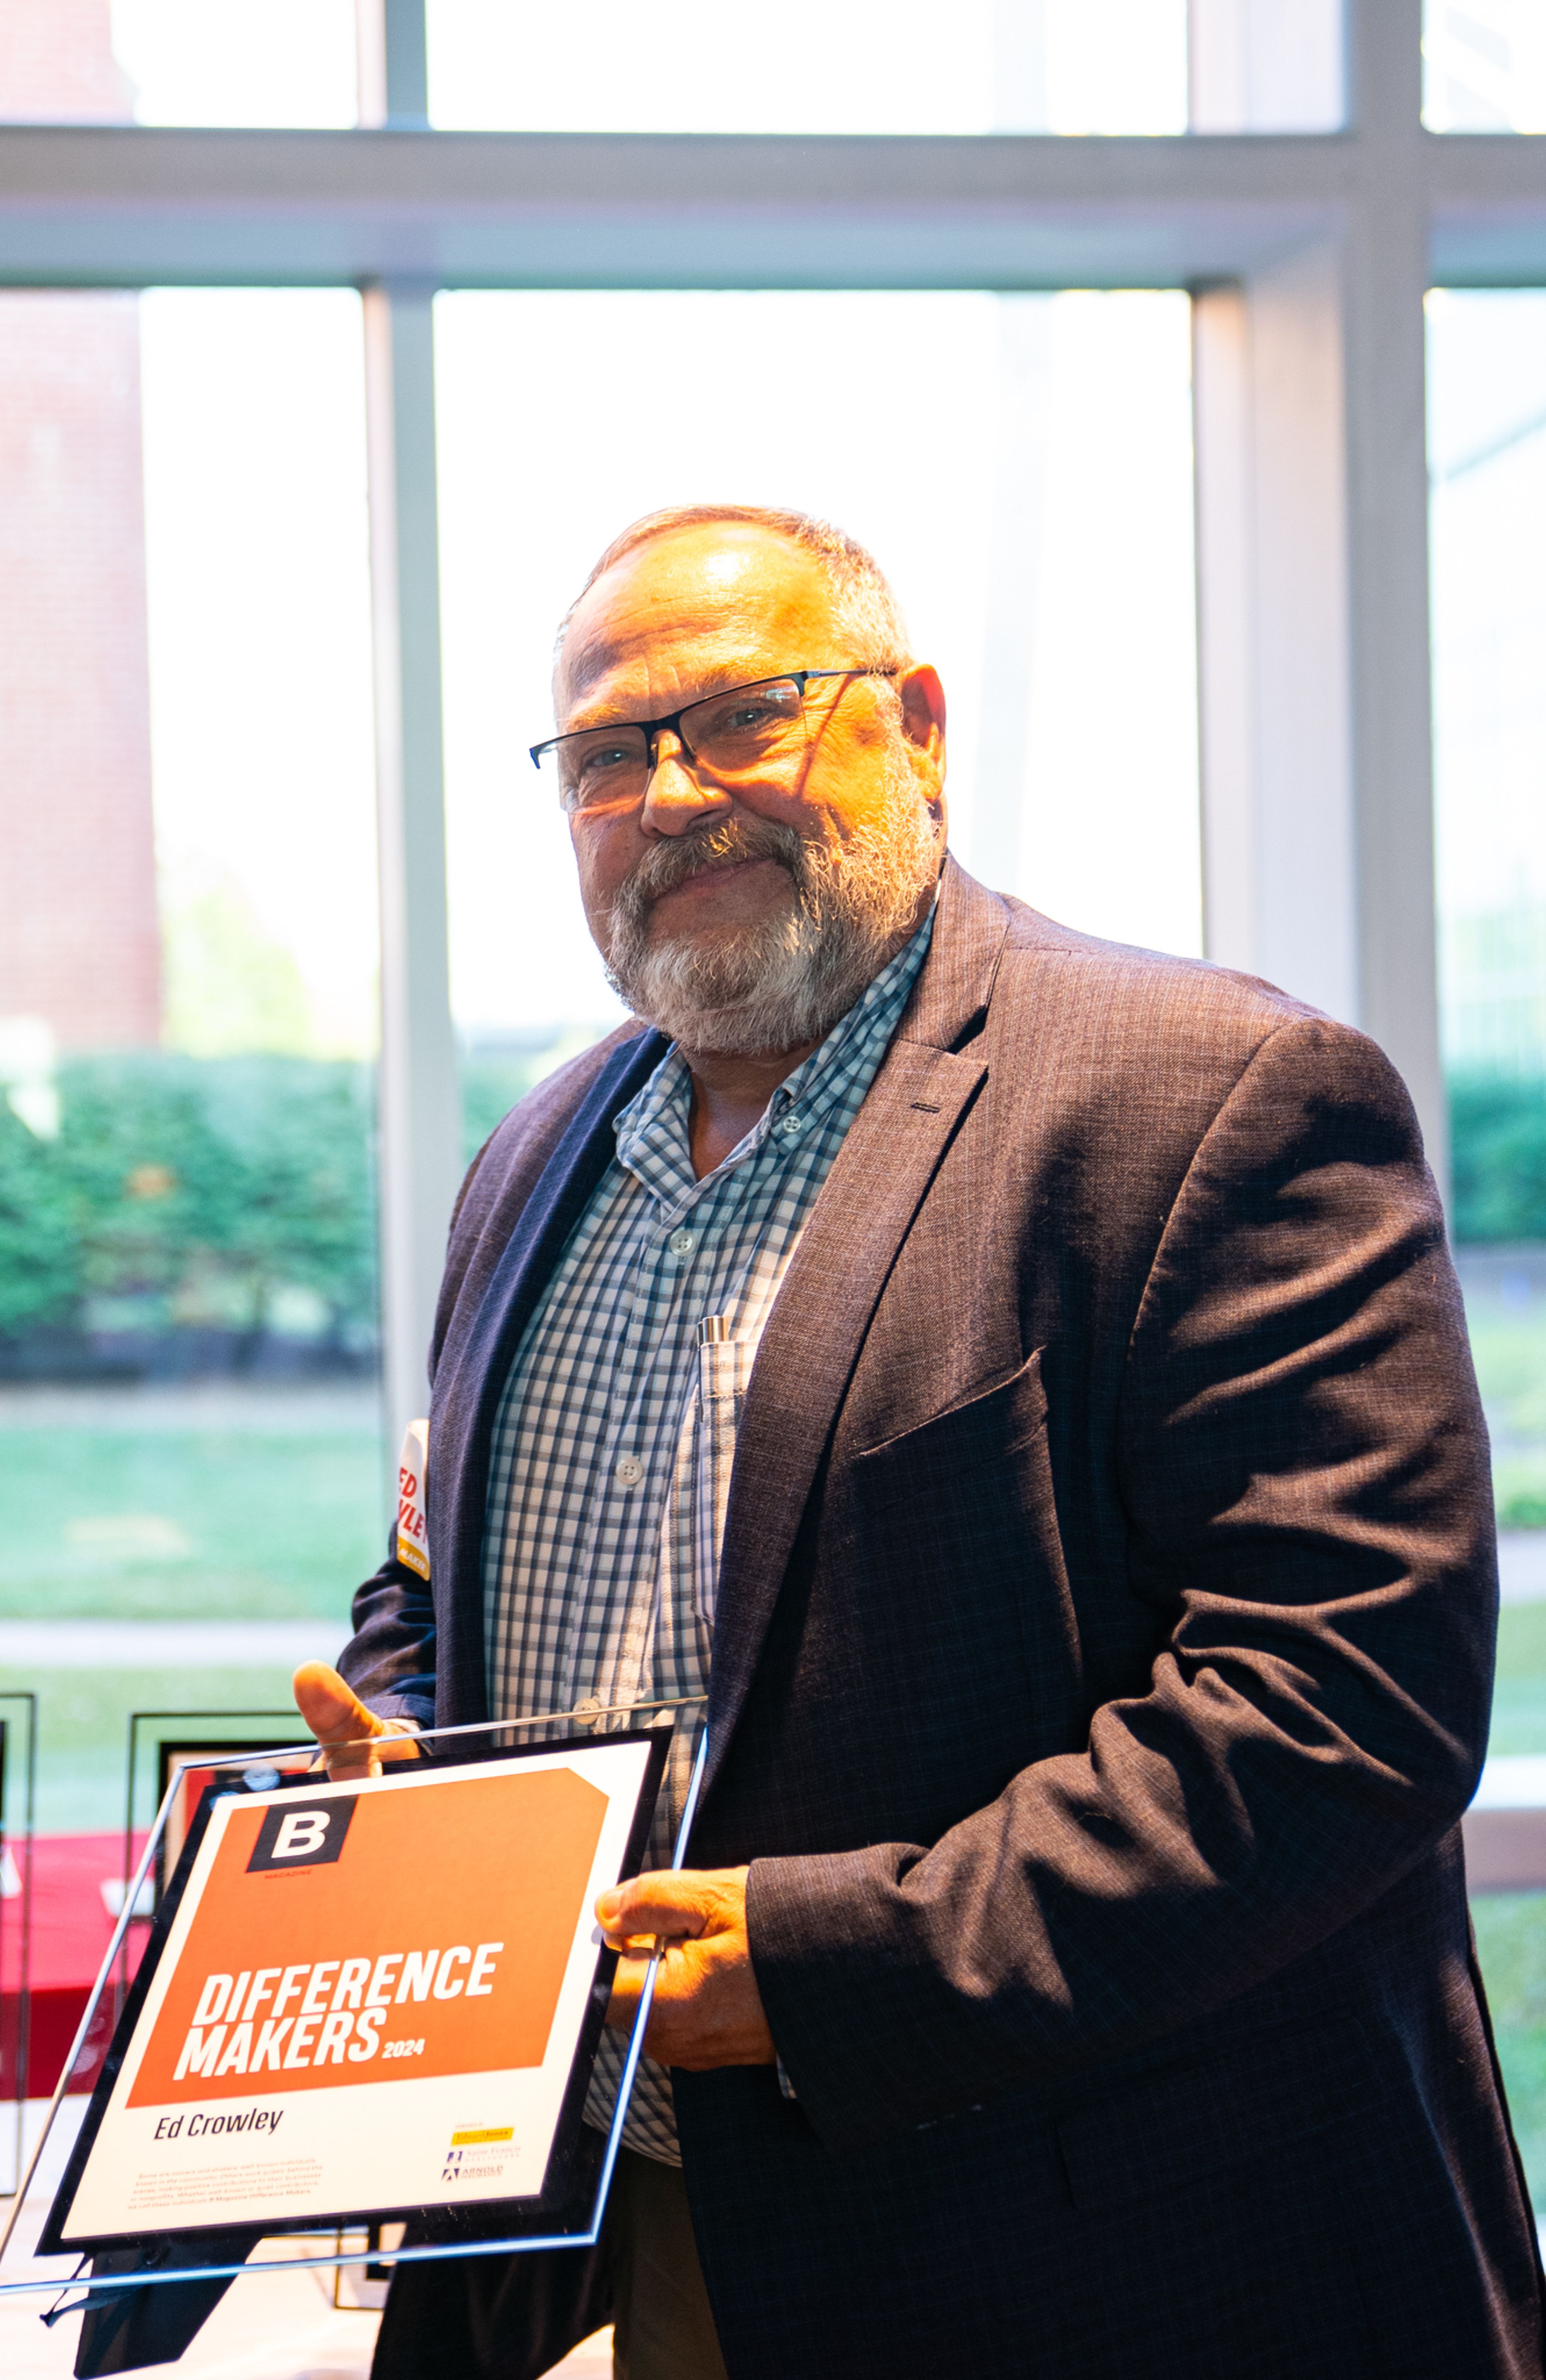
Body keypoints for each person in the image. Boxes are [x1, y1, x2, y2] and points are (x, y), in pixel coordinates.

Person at [294, 504, 1545, 2380]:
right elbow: (435, 1565)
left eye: (747, 717)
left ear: (922, 727)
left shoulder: (1216, 1099)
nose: (677, 792)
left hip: (1094, 2260)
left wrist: (812, 1970)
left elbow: (1338, 1712)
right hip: (609, 2219)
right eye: (612, 752)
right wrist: (409, 1746)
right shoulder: (534, 1158)